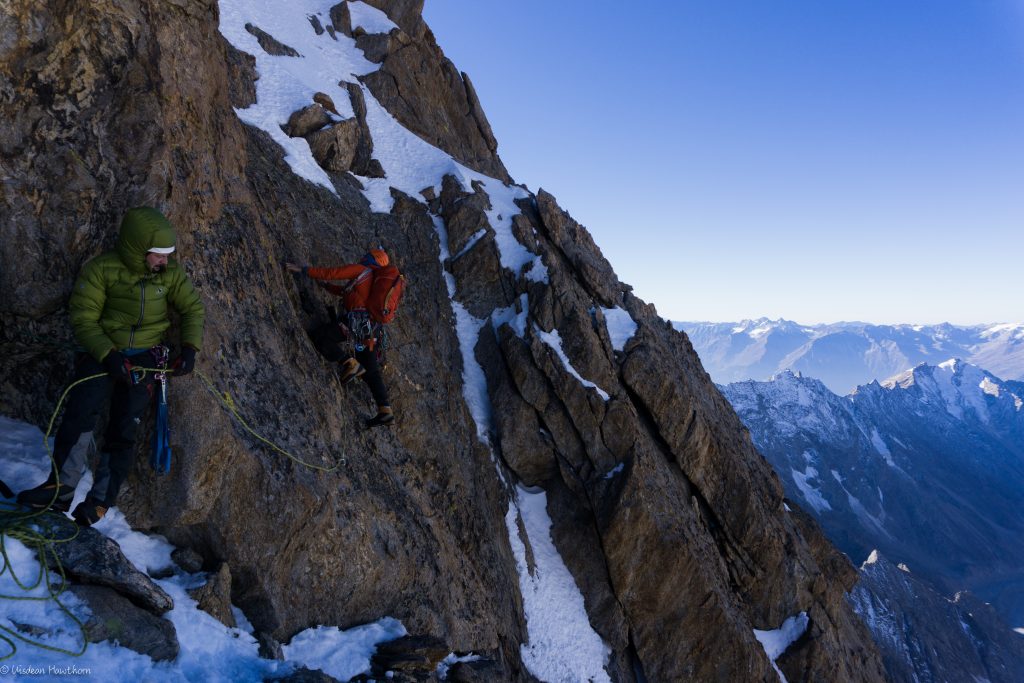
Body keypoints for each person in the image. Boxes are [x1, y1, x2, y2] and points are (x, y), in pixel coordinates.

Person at [17, 207, 205, 526]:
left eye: (167, 255)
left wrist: (190, 347)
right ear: (138, 249)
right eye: (158, 255)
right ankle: (59, 490)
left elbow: (192, 309)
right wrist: (108, 354)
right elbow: (83, 317)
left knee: (124, 427)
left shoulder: (170, 275)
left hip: (146, 357)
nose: (165, 262)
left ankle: (101, 501)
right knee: (80, 413)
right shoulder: (101, 269)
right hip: (104, 350)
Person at [286, 249, 395, 427]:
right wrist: (327, 287)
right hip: (371, 332)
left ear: (370, 260)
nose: (362, 257)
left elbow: (334, 273)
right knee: (371, 370)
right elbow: (348, 293)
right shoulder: (373, 283)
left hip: (356, 324)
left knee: (320, 336)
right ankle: (385, 410)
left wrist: (305, 270)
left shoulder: (362, 270)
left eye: (366, 256)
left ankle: (349, 363)